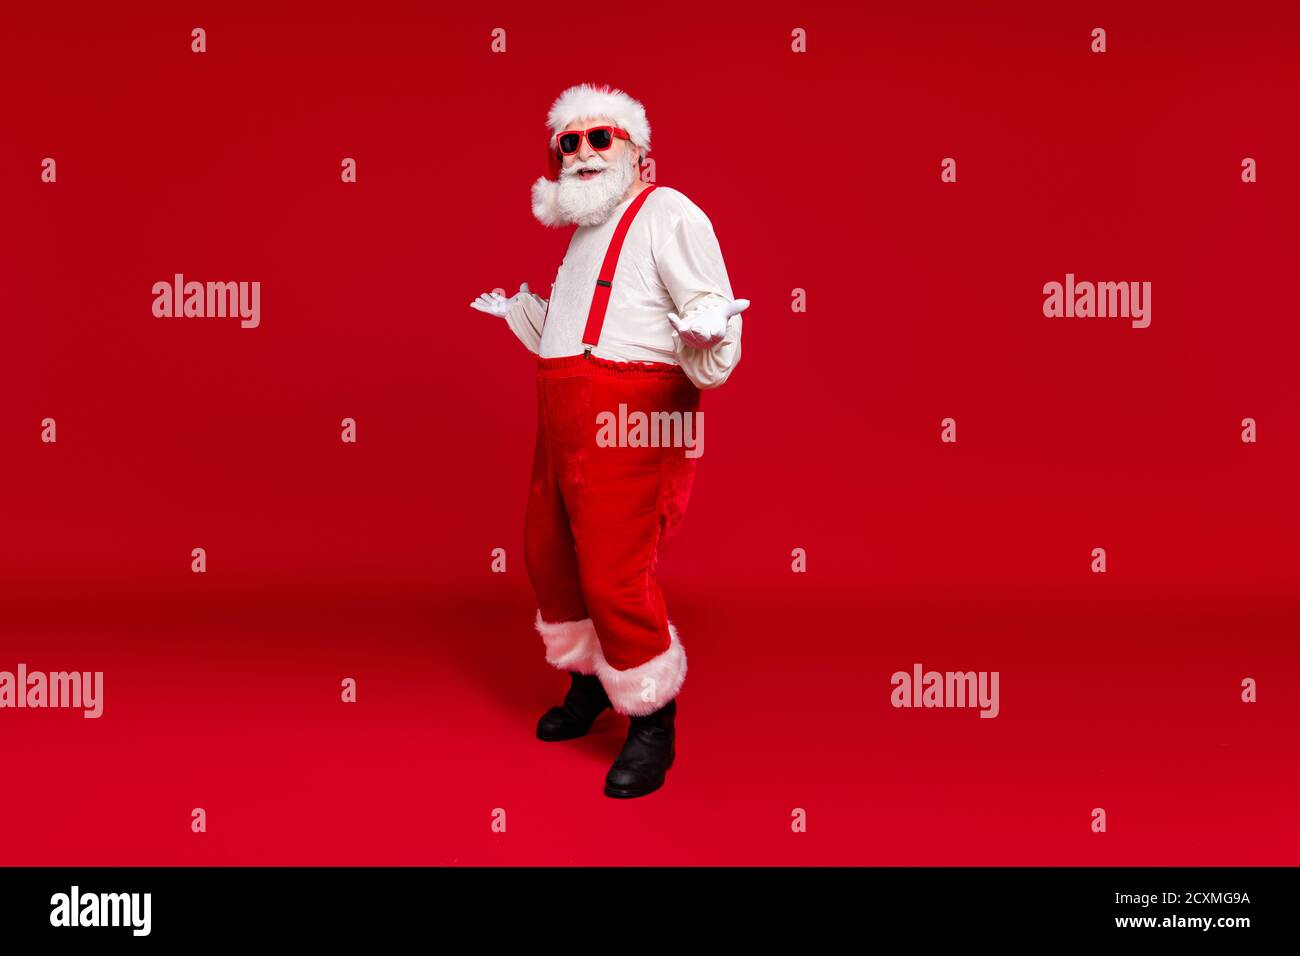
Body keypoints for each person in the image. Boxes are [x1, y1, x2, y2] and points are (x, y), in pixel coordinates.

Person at [471, 82, 748, 798]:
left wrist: (709, 331)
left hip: (633, 422)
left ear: (639, 155)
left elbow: (709, 315)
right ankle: (590, 682)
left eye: (601, 139)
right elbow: (580, 337)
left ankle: (653, 718)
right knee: (551, 557)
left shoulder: (671, 214)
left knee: (614, 573)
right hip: (564, 421)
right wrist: (525, 314)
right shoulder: (583, 231)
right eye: (570, 142)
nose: (583, 153)